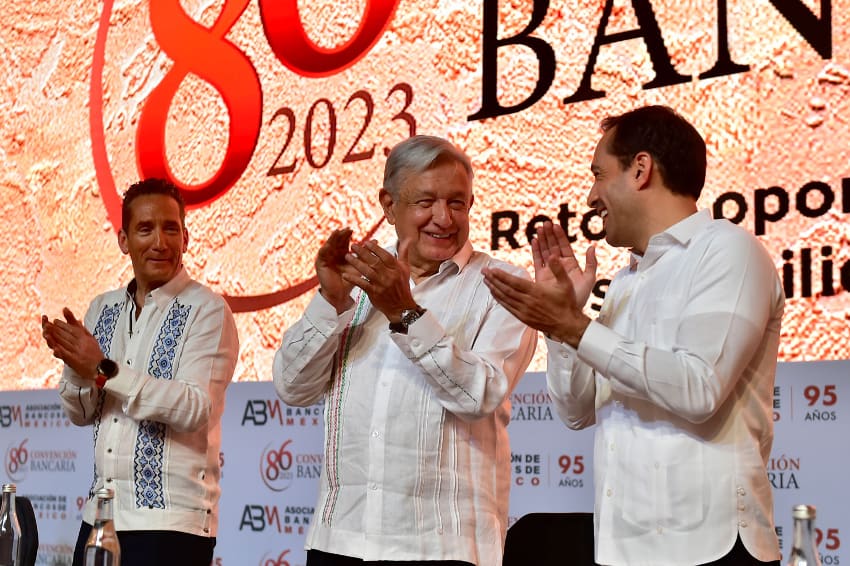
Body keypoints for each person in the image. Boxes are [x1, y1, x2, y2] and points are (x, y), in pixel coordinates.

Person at [483, 105, 784, 566]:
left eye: (599, 174)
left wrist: (575, 327)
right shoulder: (626, 281)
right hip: (622, 545)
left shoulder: (729, 250)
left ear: (641, 169)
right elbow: (576, 412)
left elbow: (699, 387)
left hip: (709, 546)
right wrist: (561, 327)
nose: (590, 196)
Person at [273, 135, 537, 565]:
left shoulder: (502, 285)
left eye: (457, 203)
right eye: (426, 202)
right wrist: (331, 301)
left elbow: (480, 395)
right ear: (389, 205)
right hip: (340, 540)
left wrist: (405, 312)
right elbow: (292, 387)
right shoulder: (357, 281)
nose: (443, 218)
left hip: (440, 548)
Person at [41, 178, 239, 566]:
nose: (160, 242)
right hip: (99, 515)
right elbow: (81, 414)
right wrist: (78, 369)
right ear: (123, 240)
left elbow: (194, 407)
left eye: (170, 228)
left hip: (171, 524)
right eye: (145, 229)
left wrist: (101, 369)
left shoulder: (208, 310)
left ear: (186, 237)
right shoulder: (102, 308)